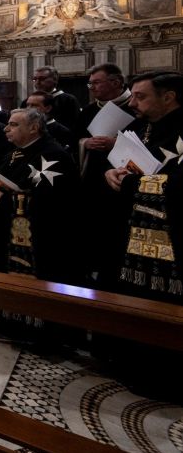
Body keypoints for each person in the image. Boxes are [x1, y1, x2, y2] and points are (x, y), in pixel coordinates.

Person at [103, 71, 183, 400]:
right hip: (131, 228)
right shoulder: (137, 127)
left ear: (169, 97)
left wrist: (135, 184)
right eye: (133, 96)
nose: (132, 102)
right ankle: (130, 362)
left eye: (141, 96)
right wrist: (110, 173)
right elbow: (119, 163)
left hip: (171, 237)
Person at [0, 109, 80, 286]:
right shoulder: (16, 152)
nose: (6, 129)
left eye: (13, 125)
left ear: (34, 128)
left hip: (42, 239)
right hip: (10, 228)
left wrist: (2, 199)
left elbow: (52, 201)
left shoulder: (53, 155)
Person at [76, 63, 133, 286]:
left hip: (122, 180)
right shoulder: (89, 111)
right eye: (90, 83)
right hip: (92, 178)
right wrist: (85, 143)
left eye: (96, 82)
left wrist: (116, 143)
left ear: (116, 82)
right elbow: (75, 139)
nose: (91, 88)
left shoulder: (134, 109)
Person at [24, 65, 81, 131]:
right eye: (35, 79)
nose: (37, 82)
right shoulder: (27, 101)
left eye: (42, 79)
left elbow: (76, 125)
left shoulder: (68, 100)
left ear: (55, 80)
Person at [25, 91, 76, 155]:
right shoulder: (24, 128)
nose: (28, 109)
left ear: (48, 108)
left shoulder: (62, 131)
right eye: (27, 105)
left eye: (34, 105)